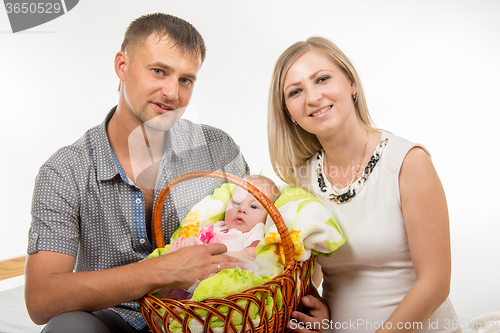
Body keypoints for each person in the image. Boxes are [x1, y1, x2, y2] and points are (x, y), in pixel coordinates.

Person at [25, 13, 249, 333]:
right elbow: (41, 299)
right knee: (68, 327)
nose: (172, 92)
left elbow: (269, 234)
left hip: (205, 316)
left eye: (185, 79)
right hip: (113, 318)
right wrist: (160, 271)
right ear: (122, 65)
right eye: (159, 71)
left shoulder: (218, 149)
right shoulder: (64, 172)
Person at [268, 37, 460, 332]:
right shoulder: (301, 182)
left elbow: (435, 284)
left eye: (322, 79)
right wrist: (315, 310)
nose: (313, 97)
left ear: (351, 83)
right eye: (296, 91)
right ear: (289, 113)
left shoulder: (408, 162)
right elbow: (309, 277)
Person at [172, 175, 280, 258]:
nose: (241, 209)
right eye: (237, 203)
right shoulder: (216, 227)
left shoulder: (255, 231)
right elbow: (198, 243)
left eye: (253, 206)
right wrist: (189, 244)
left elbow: (252, 253)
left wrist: (223, 257)